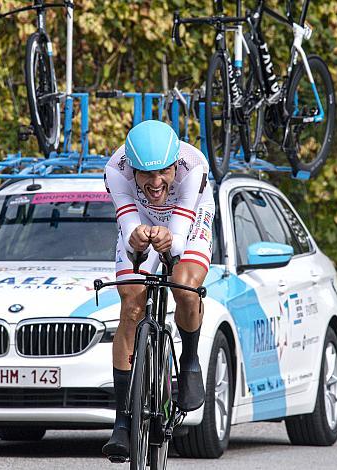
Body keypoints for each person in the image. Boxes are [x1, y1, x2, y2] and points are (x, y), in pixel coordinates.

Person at [101, 120, 216, 460]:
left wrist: (170, 243)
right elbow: (127, 223)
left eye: (164, 173)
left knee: (184, 286)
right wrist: (137, 237)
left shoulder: (193, 165)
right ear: (131, 168)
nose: (155, 183)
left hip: (190, 220)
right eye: (145, 176)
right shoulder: (115, 168)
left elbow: (178, 238)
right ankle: (122, 421)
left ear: (174, 163)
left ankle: (190, 360)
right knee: (132, 306)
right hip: (139, 218)